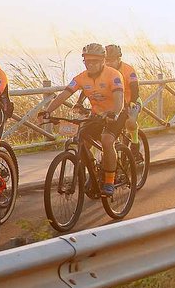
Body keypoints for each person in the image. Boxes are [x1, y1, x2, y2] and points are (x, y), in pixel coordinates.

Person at [35, 43, 126, 196]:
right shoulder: (81, 78)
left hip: (116, 114)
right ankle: (93, 171)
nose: (90, 64)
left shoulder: (114, 75)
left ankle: (109, 181)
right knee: (82, 139)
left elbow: (119, 98)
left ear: (103, 60)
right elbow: (64, 94)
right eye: (87, 61)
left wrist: (114, 113)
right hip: (96, 115)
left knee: (106, 141)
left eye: (95, 61)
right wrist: (47, 111)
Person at [104, 44, 141, 146]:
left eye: (112, 60)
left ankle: (135, 143)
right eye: (106, 60)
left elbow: (135, 88)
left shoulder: (128, 69)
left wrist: (132, 101)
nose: (109, 63)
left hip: (131, 101)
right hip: (115, 103)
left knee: (130, 123)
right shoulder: (103, 71)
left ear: (118, 59)